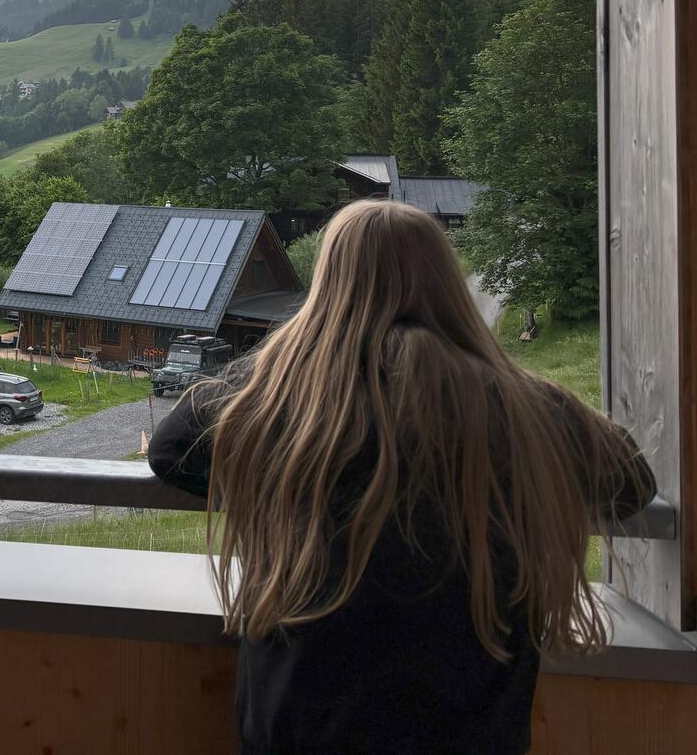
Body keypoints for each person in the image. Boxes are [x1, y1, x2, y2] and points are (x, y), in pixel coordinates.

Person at [150, 199, 653, 755]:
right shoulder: (525, 404)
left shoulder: (281, 397)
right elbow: (631, 484)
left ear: (330, 284)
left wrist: (285, 470)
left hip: (299, 723)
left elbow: (173, 447)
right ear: (444, 281)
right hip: (469, 728)